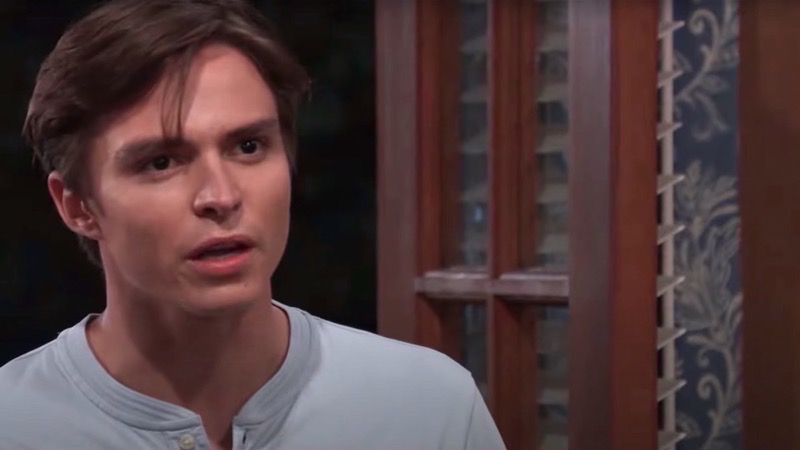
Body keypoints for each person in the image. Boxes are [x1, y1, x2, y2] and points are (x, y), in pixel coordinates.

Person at [0, 0, 505, 449]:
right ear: (77, 206)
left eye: (248, 147)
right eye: (161, 162)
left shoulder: (426, 408)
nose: (220, 197)